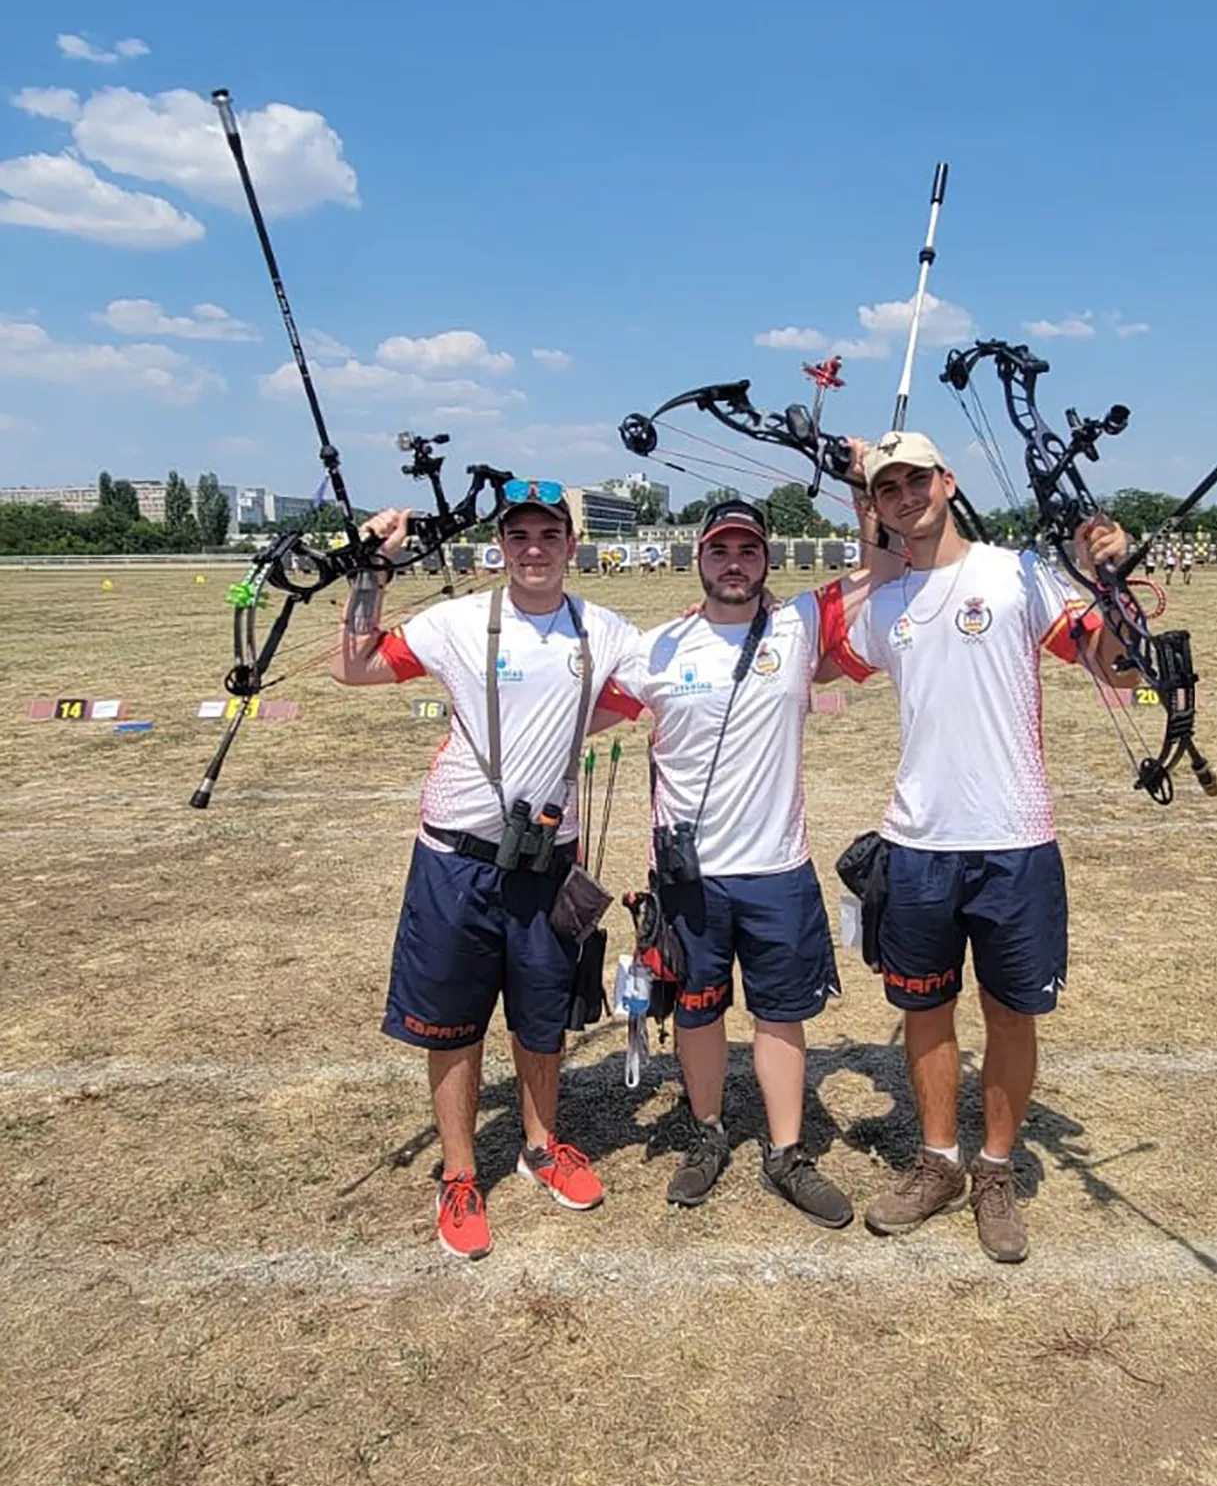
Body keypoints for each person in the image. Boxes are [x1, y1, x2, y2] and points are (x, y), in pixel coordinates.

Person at [819, 431, 1137, 1264]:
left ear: (946, 481)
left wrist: (1117, 578)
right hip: (918, 844)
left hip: (1015, 840)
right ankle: (939, 1163)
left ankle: (995, 1168)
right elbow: (814, 665)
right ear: (878, 504)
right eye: (887, 488)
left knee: (1009, 1013)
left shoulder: (1018, 573)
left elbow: (1118, 669)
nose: (905, 496)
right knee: (923, 1011)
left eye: (916, 480)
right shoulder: (884, 605)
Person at [332, 482, 638, 1260]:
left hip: (546, 861)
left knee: (542, 1016)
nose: (534, 548)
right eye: (519, 535)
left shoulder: (605, 630)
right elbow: (357, 668)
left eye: (548, 534)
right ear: (501, 546)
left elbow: (654, 694)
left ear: (573, 545)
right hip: (454, 862)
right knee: (455, 1021)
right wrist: (373, 570)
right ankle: (462, 1174)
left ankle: (541, 1147)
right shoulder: (457, 621)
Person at [597, 494, 895, 1226]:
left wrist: (863, 493)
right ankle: (706, 1135)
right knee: (696, 1014)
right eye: (721, 550)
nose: (735, 563)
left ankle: (787, 1153)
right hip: (689, 878)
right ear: (698, 557)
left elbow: (886, 566)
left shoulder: (797, 624)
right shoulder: (656, 647)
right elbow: (576, 711)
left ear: (766, 559)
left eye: (749, 551)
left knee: (780, 1016)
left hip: (777, 869)